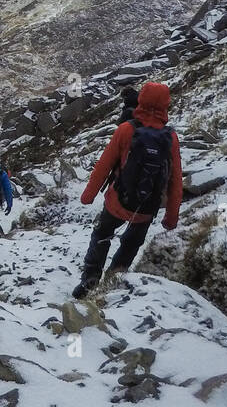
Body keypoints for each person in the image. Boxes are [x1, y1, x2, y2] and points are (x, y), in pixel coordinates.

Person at [73, 81, 182, 298]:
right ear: (165, 105)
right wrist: (171, 218)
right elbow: (175, 181)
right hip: (146, 208)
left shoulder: (126, 129)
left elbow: (104, 164)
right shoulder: (170, 138)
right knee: (131, 244)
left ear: (141, 100)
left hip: (116, 202)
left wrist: (88, 195)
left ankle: (90, 279)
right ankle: (113, 280)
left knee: (101, 235)